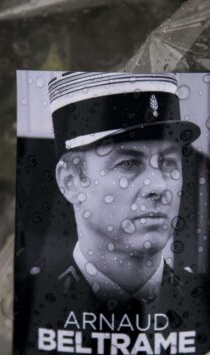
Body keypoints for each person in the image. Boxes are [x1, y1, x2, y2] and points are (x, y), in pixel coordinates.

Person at [49, 72, 200, 306]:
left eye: (168, 163)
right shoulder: (24, 303)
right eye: (128, 164)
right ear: (71, 181)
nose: (159, 186)